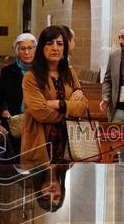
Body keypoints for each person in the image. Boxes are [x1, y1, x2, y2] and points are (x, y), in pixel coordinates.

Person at [20, 25, 89, 167]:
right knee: (41, 180)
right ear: (42, 47)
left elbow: (83, 106)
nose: (55, 48)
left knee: (66, 179)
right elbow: (40, 112)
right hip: (42, 140)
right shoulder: (31, 77)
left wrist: (59, 104)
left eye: (60, 44)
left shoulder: (70, 73)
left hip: (68, 141)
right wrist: (69, 109)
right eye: (50, 43)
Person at [0, 32, 36, 151]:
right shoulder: (8, 72)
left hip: (36, 124)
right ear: (17, 51)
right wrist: (2, 110)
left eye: (30, 48)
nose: (27, 52)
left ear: (36, 50)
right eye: (22, 49)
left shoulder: (41, 72)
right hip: (14, 125)